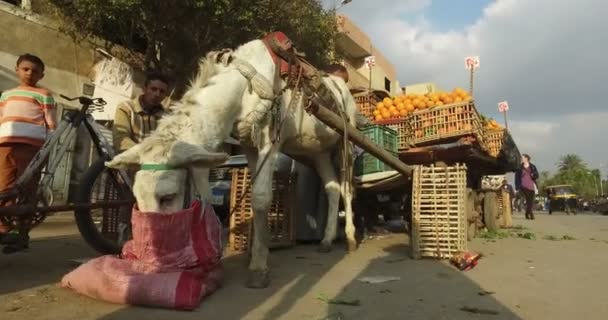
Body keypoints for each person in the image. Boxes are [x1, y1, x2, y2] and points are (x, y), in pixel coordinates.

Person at [0, 53, 57, 252]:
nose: (29, 73)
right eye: (25, 69)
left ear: (41, 75)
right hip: (5, 144)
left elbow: (51, 123)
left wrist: (49, 147)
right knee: (4, 187)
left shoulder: (44, 94)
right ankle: (4, 229)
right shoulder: (6, 95)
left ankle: (22, 233)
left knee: (27, 189)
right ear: (17, 70)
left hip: (32, 146)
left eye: (35, 71)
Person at [112, 72, 170, 153]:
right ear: (144, 89)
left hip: (155, 163)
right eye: (153, 89)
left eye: (162, 92)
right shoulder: (126, 108)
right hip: (128, 160)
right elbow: (121, 140)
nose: (157, 94)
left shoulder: (167, 116)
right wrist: (147, 154)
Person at [515, 154, 539, 220]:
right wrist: (517, 187)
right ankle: (531, 214)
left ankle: (527, 213)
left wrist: (533, 175)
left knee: (530, 202)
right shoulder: (519, 167)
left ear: (526, 158)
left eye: (522, 158)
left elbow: (537, 175)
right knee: (523, 201)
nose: (521, 159)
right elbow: (517, 177)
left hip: (531, 186)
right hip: (522, 186)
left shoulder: (533, 166)